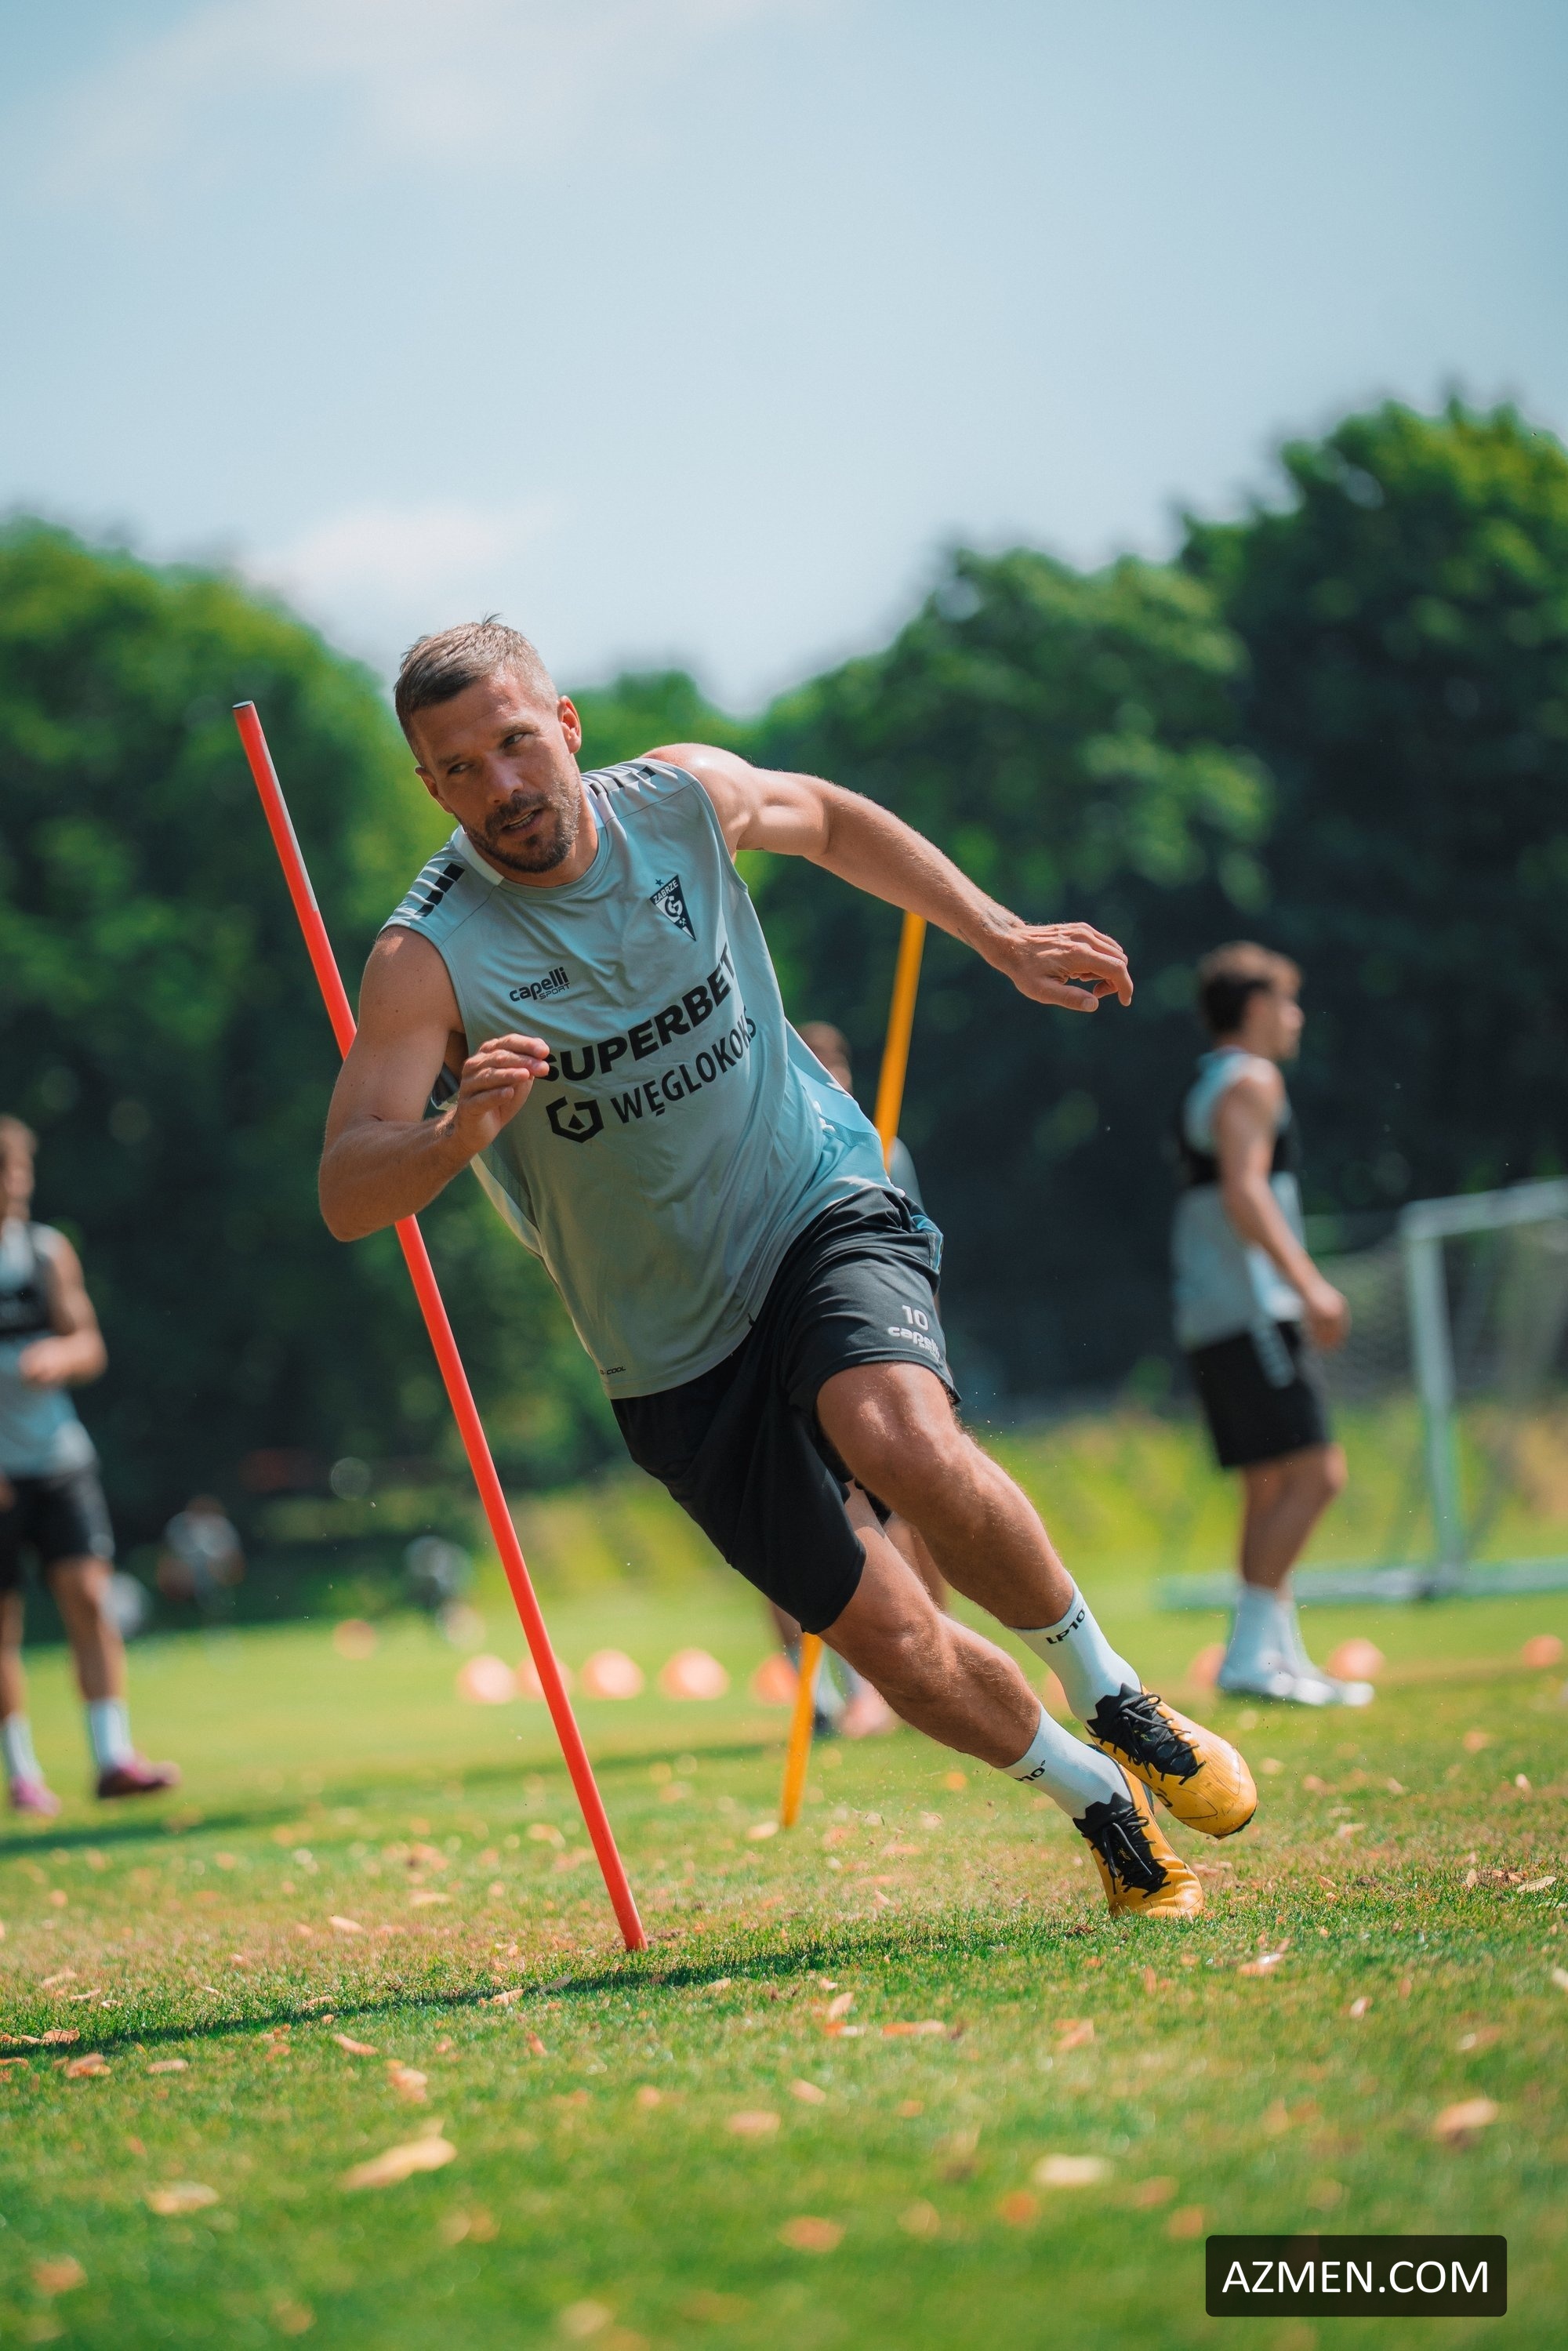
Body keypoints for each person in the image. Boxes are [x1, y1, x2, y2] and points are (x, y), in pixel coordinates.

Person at [319, 620, 1258, 1918]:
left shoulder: (680, 799)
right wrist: (450, 1134)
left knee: (894, 1430)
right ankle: (1093, 1795)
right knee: (893, 1641)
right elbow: (347, 1186)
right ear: (431, 786)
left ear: (567, 724)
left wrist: (1000, 935)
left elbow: (826, 817)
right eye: (462, 768)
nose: (503, 785)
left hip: (811, 1198)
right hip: (664, 1341)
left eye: (518, 742)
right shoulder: (426, 954)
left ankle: (1114, 1693)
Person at [1171, 943, 1370, 1706]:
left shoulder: (1208, 1079)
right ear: (1255, 1008)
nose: (1296, 1017)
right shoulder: (1252, 1079)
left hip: (1213, 1310)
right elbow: (1244, 1192)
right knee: (1318, 1474)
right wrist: (1309, 1285)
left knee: (1268, 1484)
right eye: (1287, 1003)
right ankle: (1251, 1656)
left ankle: (1276, 1658)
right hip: (1251, 1307)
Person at [0, 1117, 180, 1812]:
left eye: (19, 1171)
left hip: (57, 1459)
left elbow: (89, 1344)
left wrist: (60, 1354)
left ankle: (112, 1759)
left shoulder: (44, 1252)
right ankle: (22, 1775)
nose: (14, 1186)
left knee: (91, 1598)